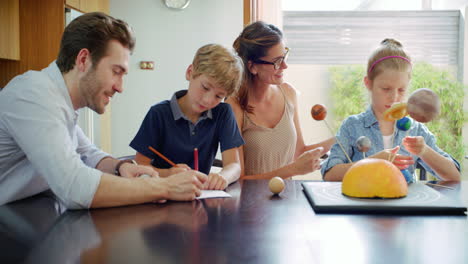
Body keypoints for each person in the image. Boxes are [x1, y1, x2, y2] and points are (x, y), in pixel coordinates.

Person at [0, 12, 207, 210]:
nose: (120, 87)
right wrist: (166, 187)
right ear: (83, 60)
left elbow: (87, 153)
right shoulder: (33, 94)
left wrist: (121, 167)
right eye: (116, 72)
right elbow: (74, 186)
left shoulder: (60, 101)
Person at [322, 39, 461, 181]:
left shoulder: (415, 129)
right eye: (386, 89)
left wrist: (424, 151)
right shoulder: (352, 126)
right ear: (368, 83)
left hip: (405, 201)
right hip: (363, 201)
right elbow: (329, 174)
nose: (394, 97)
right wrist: (373, 163)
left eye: (401, 90)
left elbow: (454, 176)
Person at [226, 21, 334, 180]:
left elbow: (299, 152)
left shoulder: (288, 93)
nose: (285, 66)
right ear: (252, 66)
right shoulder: (234, 106)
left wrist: (340, 138)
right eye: (277, 61)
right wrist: (293, 170)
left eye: (285, 56)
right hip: (250, 202)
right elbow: (238, 180)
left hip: (288, 199)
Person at [130, 44, 244, 190]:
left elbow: (234, 165)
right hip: (162, 197)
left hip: (200, 199)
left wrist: (223, 177)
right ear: (190, 72)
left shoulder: (223, 113)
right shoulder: (158, 114)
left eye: (218, 96)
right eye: (205, 87)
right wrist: (168, 173)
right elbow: (140, 166)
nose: (208, 100)